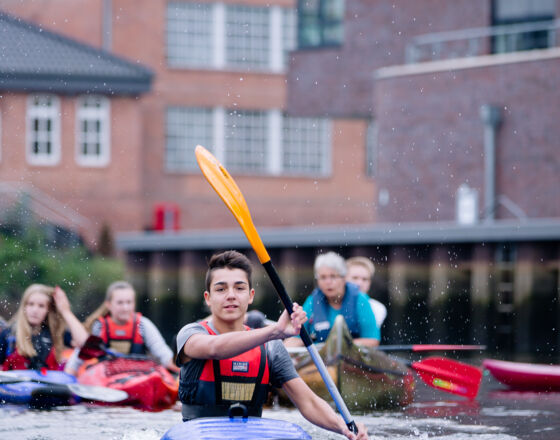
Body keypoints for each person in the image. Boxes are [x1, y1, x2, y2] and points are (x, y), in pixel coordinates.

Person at [176, 250, 368, 440]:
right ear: (208, 298)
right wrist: (275, 331)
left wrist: (345, 428)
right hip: (198, 434)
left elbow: (308, 402)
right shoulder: (191, 334)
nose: (231, 295)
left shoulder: (271, 348)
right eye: (221, 289)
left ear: (251, 296)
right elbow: (214, 349)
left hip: (249, 436)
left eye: (239, 288)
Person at [64, 280, 178, 374]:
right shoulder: (98, 327)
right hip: (106, 379)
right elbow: (77, 360)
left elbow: (164, 354)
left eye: (129, 302)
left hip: (137, 378)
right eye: (120, 303)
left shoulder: (143, 325)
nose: (125, 308)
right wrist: (68, 376)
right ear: (109, 305)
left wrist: (181, 371)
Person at [284, 252, 380, 348]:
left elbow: (372, 340)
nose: (328, 282)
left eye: (333, 276)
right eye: (323, 277)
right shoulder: (313, 301)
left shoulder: (360, 300)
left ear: (344, 278)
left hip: (352, 358)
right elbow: (296, 337)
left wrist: (338, 346)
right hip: (321, 358)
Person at [0, 284, 88, 370]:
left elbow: (86, 344)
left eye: (41, 306)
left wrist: (66, 311)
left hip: (47, 384)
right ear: (24, 307)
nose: (35, 310)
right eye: (31, 304)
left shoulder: (55, 333)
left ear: (48, 310)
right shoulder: (8, 334)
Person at [346, 256, 387, 329]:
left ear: (370, 283)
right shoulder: (332, 304)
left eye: (364, 279)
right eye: (355, 278)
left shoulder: (378, 308)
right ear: (344, 279)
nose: (359, 283)